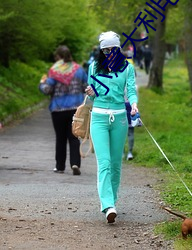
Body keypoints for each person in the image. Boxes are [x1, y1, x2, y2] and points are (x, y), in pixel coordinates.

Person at [85, 31, 138, 223]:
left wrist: (133, 104)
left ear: (118, 49)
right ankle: (107, 205)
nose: (109, 53)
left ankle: (112, 201)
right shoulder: (94, 67)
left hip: (120, 118)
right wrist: (90, 92)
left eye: (112, 49)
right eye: (105, 50)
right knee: (104, 163)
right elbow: (91, 96)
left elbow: (131, 90)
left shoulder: (127, 68)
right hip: (98, 117)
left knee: (116, 164)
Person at [39, 45, 88, 175]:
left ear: (58, 57)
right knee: (74, 137)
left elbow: (47, 90)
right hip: (75, 109)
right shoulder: (79, 69)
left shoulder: (54, 71)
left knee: (60, 138)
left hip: (58, 109)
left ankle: (60, 166)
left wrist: (42, 83)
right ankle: (75, 163)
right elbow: (86, 86)